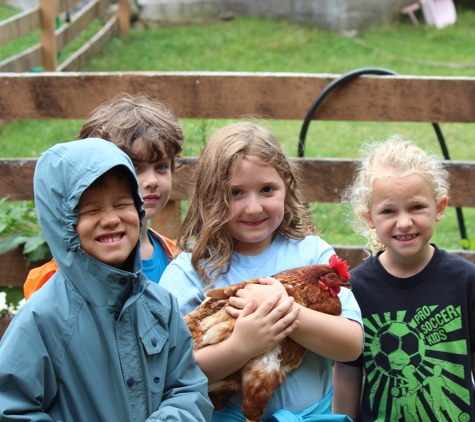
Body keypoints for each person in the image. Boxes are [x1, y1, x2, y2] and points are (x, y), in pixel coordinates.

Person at [159, 121, 363, 421]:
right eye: (236, 193)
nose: (253, 208)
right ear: (211, 195)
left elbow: (351, 346)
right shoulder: (192, 270)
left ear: (287, 185)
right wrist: (243, 345)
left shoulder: (312, 253)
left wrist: (286, 310)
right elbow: (171, 370)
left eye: (267, 189)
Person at [0, 138, 213, 420]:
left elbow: (188, 390)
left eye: (122, 203)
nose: (111, 219)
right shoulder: (42, 319)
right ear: (62, 223)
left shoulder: (161, 306)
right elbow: (12, 410)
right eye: (91, 209)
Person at [332, 136, 475, 421]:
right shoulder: (356, 288)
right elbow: (347, 374)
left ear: (440, 207)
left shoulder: (465, 280)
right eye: (388, 211)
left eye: (416, 207)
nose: (404, 222)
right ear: (369, 217)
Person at [24, 93, 182, 300]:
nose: (152, 181)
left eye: (161, 166)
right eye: (135, 168)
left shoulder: (177, 257)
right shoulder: (54, 281)